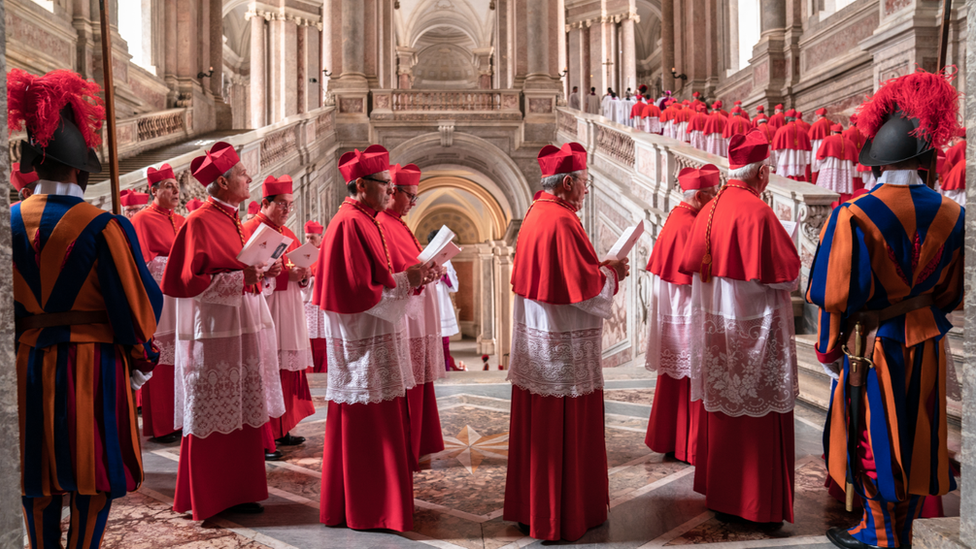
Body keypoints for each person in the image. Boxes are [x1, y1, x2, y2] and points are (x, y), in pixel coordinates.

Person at [807, 70, 965, 549]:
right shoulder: (955, 214)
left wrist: (828, 349)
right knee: (919, 440)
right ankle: (900, 529)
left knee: (872, 437)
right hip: (929, 342)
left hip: (870, 346)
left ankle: (879, 534)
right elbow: (952, 294)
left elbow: (834, 295)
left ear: (877, 161)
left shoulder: (852, 214)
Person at [9, 68, 163, 549]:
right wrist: (143, 359)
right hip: (91, 370)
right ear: (81, 170)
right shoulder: (104, 227)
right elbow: (137, 308)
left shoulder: (8, 221)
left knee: (35, 480)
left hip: (25, 367)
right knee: (92, 481)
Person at [504, 142, 630, 541]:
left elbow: (571, 273)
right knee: (563, 430)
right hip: (561, 346)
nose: (587, 190)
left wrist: (599, 268)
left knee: (540, 429)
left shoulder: (537, 213)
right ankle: (561, 512)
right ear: (569, 182)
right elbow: (587, 289)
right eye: (585, 183)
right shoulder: (560, 220)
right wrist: (614, 273)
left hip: (545, 338)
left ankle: (535, 508)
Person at [314, 145, 439, 532]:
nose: (390, 190)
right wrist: (409, 280)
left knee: (381, 420)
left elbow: (378, 280)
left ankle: (380, 504)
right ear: (361, 184)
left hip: (376, 334)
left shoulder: (366, 218)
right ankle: (374, 508)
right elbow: (358, 291)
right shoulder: (350, 222)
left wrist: (408, 279)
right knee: (370, 424)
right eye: (384, 183)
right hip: (363, 340)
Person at [680, 130, 799, 524]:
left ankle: (724, 494)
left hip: (718, 335)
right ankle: (755, 503)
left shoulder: (710, 209)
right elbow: (785, 277)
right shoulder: (758, 212)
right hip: (754, 337)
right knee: (755, 417)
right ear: (763, 173)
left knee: (725, 413)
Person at [163, 141, 285, 520]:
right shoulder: (199, 220)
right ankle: (211, 494)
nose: (249, 177)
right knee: (212, 410)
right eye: (242, 174)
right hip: (215, 330)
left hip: (243, 324)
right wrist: (241, 276)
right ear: (221, 182)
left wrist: (263, 271)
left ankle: (239, 489)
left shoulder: (233, 219)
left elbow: (239, 270)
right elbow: (185, 281)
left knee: (243, 406)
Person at [644, 164, 720, 465]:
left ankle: (673, 440)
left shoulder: (679, 216)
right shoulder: (690, 223)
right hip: (687, 310)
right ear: (699, 197)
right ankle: (690, 446)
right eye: (712, 196)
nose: (715, 201)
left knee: (678, 380)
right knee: (691, 378)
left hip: (677, 309)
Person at [379, 162, 446, 465]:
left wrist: (430, 269)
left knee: (419, 382)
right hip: (401, 314)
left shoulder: (400, 223)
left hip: (415, 309)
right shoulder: (380, 222)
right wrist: (418, 274)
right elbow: (388, 274)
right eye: (411, 197)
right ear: (391, 191)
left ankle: (420, 441)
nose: (413, 204)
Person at [243, 175, 316, 449]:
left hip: (289, 310)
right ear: (265, 202)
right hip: (265, 309)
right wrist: (278, 276)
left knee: (286, 370)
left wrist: (304, 274)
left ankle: (282, 428)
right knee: (266, 370)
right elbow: (247, 276)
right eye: (282, 204)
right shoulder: (250, 229)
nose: (287, 210)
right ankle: (265, 435)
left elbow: (298, 270)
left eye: (290, 205)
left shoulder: (289, 235)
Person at [131, 163, 185, 444]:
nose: (176, 190)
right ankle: (164, 424)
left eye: (176, 186)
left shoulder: (181, 219)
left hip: (183, 302)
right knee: (164, 361)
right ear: (153, 190)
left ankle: (182, 418)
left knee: (183, 360)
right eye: (168, 186)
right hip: (160, 302)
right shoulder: (142, 220)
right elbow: (140, 266)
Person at [426, 229, 461, 371]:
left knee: (444, 337)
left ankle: (445, 366)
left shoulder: (448, 259)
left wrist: (445, 275)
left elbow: (454, 286)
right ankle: (433, 367)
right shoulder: (425, 257)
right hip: (430, 299)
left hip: (442, 300)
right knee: (431, 337)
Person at [302, 220, 328, 373]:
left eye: (312, 238)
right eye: (306, 237)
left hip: (322, 301)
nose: (308, 241)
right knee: (308, 337)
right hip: (307, 301)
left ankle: (324, 369)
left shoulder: (327, 252)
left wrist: (312, 276)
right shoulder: (302, 253)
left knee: (323, 339)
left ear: (321, 237)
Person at [813, 124, 858, 200]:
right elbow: (854, 163)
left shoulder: (828, 140)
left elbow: (821, 158)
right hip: (845, 173)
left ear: (832, 132)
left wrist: (818, 166)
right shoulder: (850, 143)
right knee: (844, 193)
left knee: (828, 189)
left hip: (830, 170)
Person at [772, 109, 813, 182]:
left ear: (786, 119)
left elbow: (777, 151)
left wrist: (778, 159)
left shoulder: (782, 130)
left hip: (785, 160)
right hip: (799, 160)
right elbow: (807, 151)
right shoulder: (802, 131)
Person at [808, 108, 832, 184]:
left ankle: (815, 184)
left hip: (818, 147)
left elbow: (810, 140)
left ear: (818, 116)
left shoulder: (816, 124)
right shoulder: (832, 123)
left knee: (816, 166)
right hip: (830, 149)